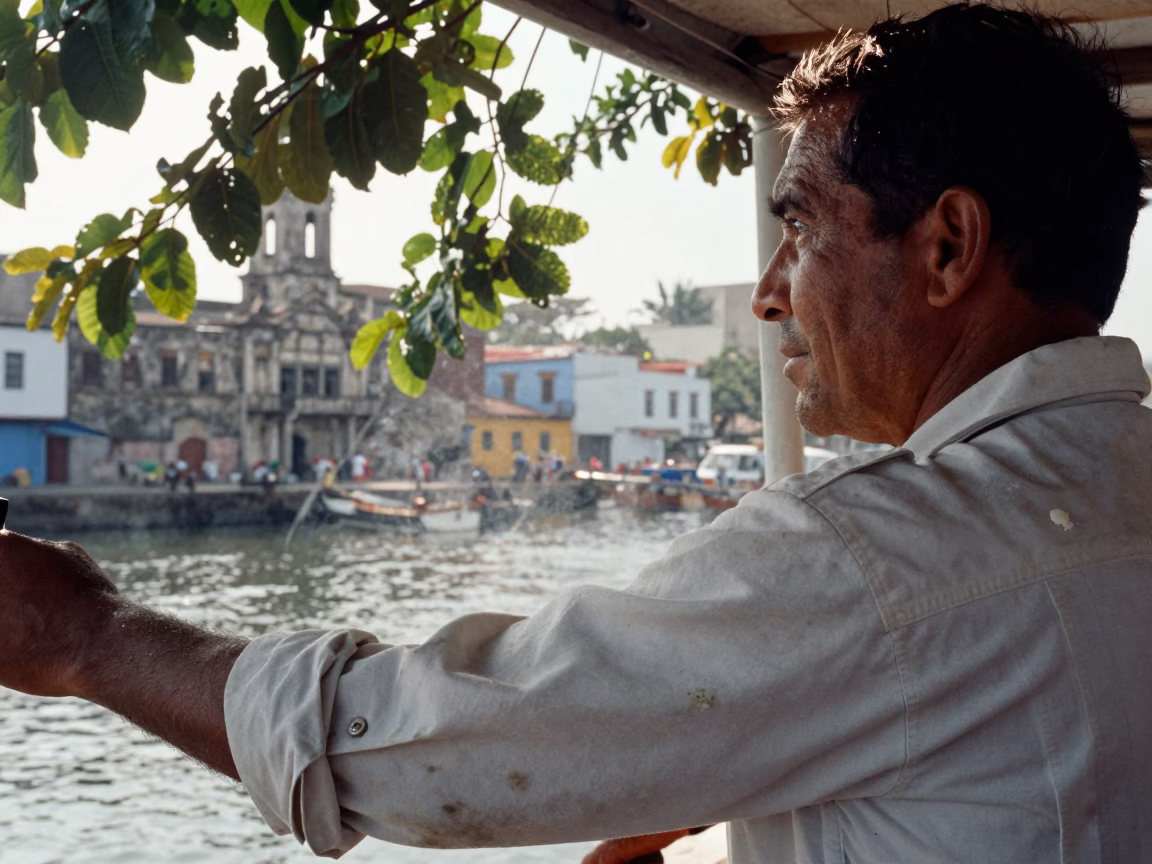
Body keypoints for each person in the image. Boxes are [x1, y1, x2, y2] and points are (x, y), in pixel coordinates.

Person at [1, 6, 1150, 863]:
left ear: (947, 247)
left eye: (798, 230)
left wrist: (86, 635)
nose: (766, 294)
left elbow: (410, 751)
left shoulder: (875, 561)